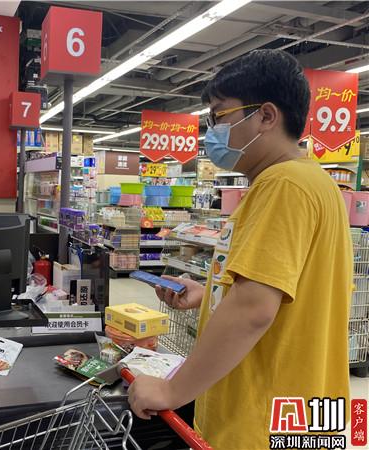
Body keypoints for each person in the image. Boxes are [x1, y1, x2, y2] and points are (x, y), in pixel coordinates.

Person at [127, 49, 352, 449]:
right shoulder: (314, 183)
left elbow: (253, 310)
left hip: (260, 419)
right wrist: (210, 295)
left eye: (219, 116)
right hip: (299, 414)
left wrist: (172, 391)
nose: (211, 131)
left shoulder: (283, 185)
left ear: (266, 116)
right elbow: (285, 293)